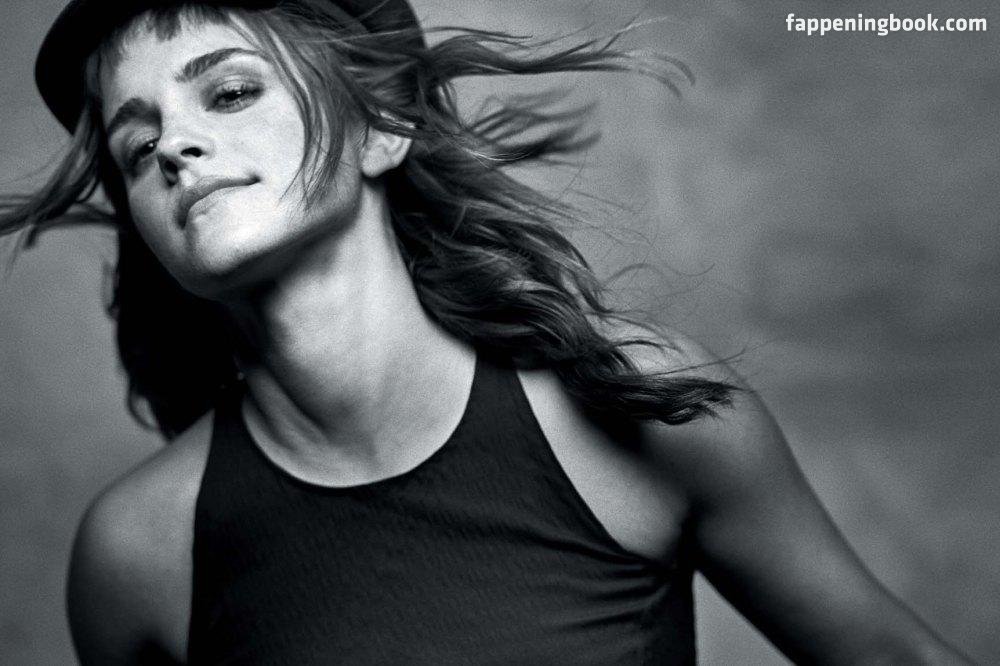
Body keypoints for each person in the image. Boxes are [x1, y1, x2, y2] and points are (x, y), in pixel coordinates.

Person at [0, 0, 974, 663]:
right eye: (137, 146)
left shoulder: (632, 408)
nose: (174, 146)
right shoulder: (140, 552)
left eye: (230, 92)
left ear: (382, 127)